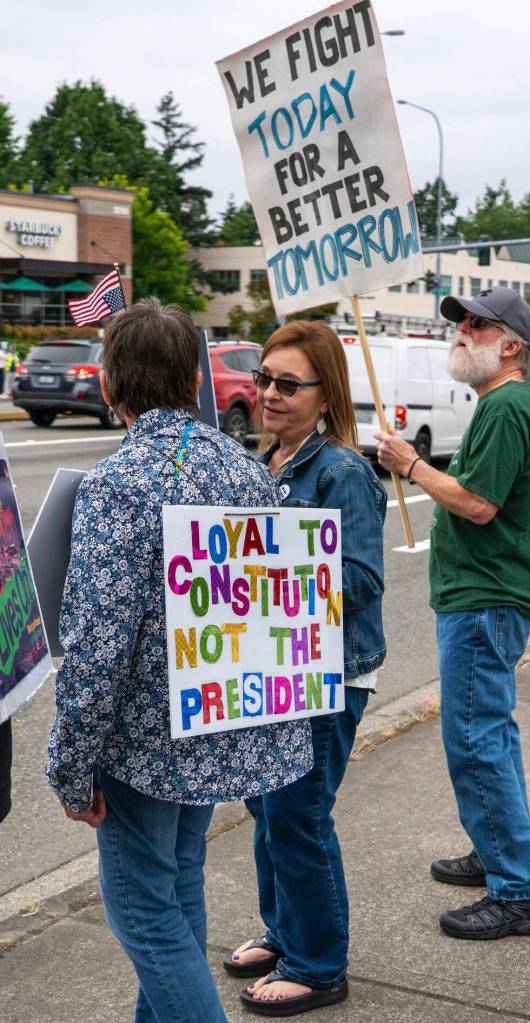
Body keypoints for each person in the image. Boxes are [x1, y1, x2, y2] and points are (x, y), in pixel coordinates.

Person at [46, 298, 314, 1023]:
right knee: (178, 889)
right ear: (194, 378)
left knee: (144, 916)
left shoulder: (117, 484)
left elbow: (98, 645)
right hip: (216, 720)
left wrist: (71, 766)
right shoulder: (247, 471)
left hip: (142, 746)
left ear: (110, 385)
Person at [376, 287, 530, 940]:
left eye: (477, 324)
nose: (462, 331)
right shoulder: (501, 403)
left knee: (477, 740)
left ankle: (520, 892)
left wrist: (411, 465)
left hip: (485, 598)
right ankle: (497, 851)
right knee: (487, 738)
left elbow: (478, 503)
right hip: (482, 596)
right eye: (461, 323)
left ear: (510, 345)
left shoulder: (507, 406)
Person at [227, 320, 387, 1015]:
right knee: (266, 809)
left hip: (327, 675)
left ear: (326, 395)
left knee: (298, 816)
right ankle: (286, 931)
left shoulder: (341, 471)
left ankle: (319, 965)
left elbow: (363, 580)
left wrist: (268, 579)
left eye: (288, 384)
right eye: (264, 378)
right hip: (273, 672)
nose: (269, 393)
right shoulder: (269, 462)